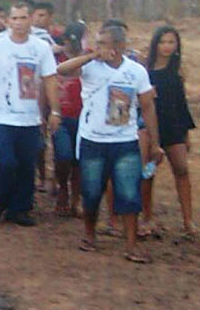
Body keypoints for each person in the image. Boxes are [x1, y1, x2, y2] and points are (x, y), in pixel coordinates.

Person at [57, 24, 160, 262]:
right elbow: (61, 69)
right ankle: (90, 235)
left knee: (128, 192)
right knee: (91, 192)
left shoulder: (136, 71)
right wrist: (92, 55)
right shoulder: (90, 67)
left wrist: (154, 141)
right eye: (98, 43)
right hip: (93, 139)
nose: (99, 47)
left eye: (104, 43)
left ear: (119, 46)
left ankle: (131, 245)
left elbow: (147, 105)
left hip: (125, 140)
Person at [0, 4, 61, 226]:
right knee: (5, 162)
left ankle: (20, 209)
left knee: (27, 165)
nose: (19, 22)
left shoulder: (41, 48)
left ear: (30, 20)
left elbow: (50, 79)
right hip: (1, 115)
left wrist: (54, 110)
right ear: (8, 20)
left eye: (24, 17)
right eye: (15, 18)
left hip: (30, 117)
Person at [147, 26, 193, 237]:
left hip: (174, 126)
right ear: (155, 44)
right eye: (163, 42)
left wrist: (186, 133)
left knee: (182, 170)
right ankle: (147, 217)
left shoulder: (176, 74)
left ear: (177, 47)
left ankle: (187, 220)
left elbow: (181, 105)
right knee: (148, 172)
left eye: (171, 42)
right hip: (151, 127)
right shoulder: (145, 73)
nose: (166, 46)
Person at [52, 23, 87, 218]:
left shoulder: (90, 57)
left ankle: (75, 199)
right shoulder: (56, 58)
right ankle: (63, 187)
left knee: (79, 161)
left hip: (84, 116)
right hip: (62, 115)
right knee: (63, 156)